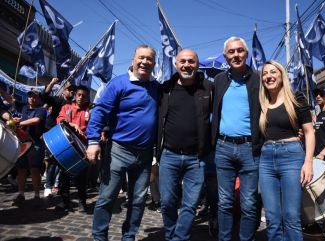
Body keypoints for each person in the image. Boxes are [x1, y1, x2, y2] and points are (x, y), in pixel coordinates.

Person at [86, 45, 158, 241]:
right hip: (118, 150)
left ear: (154, 63)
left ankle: (129, 237)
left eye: (149, 59)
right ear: (133, 60)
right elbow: (100, 111)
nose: (144, 62)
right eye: (141, 58)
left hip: (144, 155)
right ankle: (99, 237)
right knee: (107, 198)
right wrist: (93, 141)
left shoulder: (156, 87)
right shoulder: (118, 84)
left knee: (138, 200)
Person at [156, 49, 213, 241]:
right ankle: (171, 234)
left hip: (196, 158)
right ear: (176, 64)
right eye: (183, 61)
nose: (187, 65)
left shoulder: (208, 88)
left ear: (197, 64)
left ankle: (179, 238)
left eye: (191, 61)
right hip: (169, 155)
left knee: (190, 204)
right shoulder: (164, 89)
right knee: (167, 202)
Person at [211, 36, 263, 241]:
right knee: (224, 203)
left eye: (240, 51)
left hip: (250, 148)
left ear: (246, 54)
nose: (236, 55)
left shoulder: (259, 78)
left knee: (249, 203)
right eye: (231, 52)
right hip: (223, 148)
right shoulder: (219, 80)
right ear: (225, 56)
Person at [258, 61, 314, 241]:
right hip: (266, 158)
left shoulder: (296, 98)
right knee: (273, 219)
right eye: (265, 74)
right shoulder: (262, 102)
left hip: (291, 156)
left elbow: (309, 132)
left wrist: (308, 162)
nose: (269, 76)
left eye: (273, 72)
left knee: (291, 218)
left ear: (282, 75)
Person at [55, 85, 91, 212]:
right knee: (64, 176)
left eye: (84, 96)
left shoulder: (90, 112)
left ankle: (82, 202)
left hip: (82, 148)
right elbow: (59, 120)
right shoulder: (67, 107)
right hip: (66, 146)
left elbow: (94, 128)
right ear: (75, 95)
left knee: (81, 178)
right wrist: (71, 124)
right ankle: (64, 202)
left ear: (87, 98)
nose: (81, 97)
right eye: (79, 95)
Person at [12, 89, 47, 206]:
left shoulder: (42, 110)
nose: (32, 98)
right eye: (30, 96)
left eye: (34, 96)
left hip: (35, 143)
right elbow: (10, 100)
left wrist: (20, 122)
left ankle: (37, 196)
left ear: (39, 99)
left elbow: (36, 120)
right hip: (23, 142)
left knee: (34, 169)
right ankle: (21, 194)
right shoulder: (24, 108)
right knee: (21, 169)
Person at [43, 78, 75, 197]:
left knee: (63, 163)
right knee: (52, 161)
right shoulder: (57, 100)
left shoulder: (74, 105)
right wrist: (51, 83)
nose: (71, 92)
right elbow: (45, 96)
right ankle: (47, 186)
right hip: (54, 134)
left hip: (67, 136)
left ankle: (59, 186)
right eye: (69, 89)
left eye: (73, 90)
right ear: (63, 91)